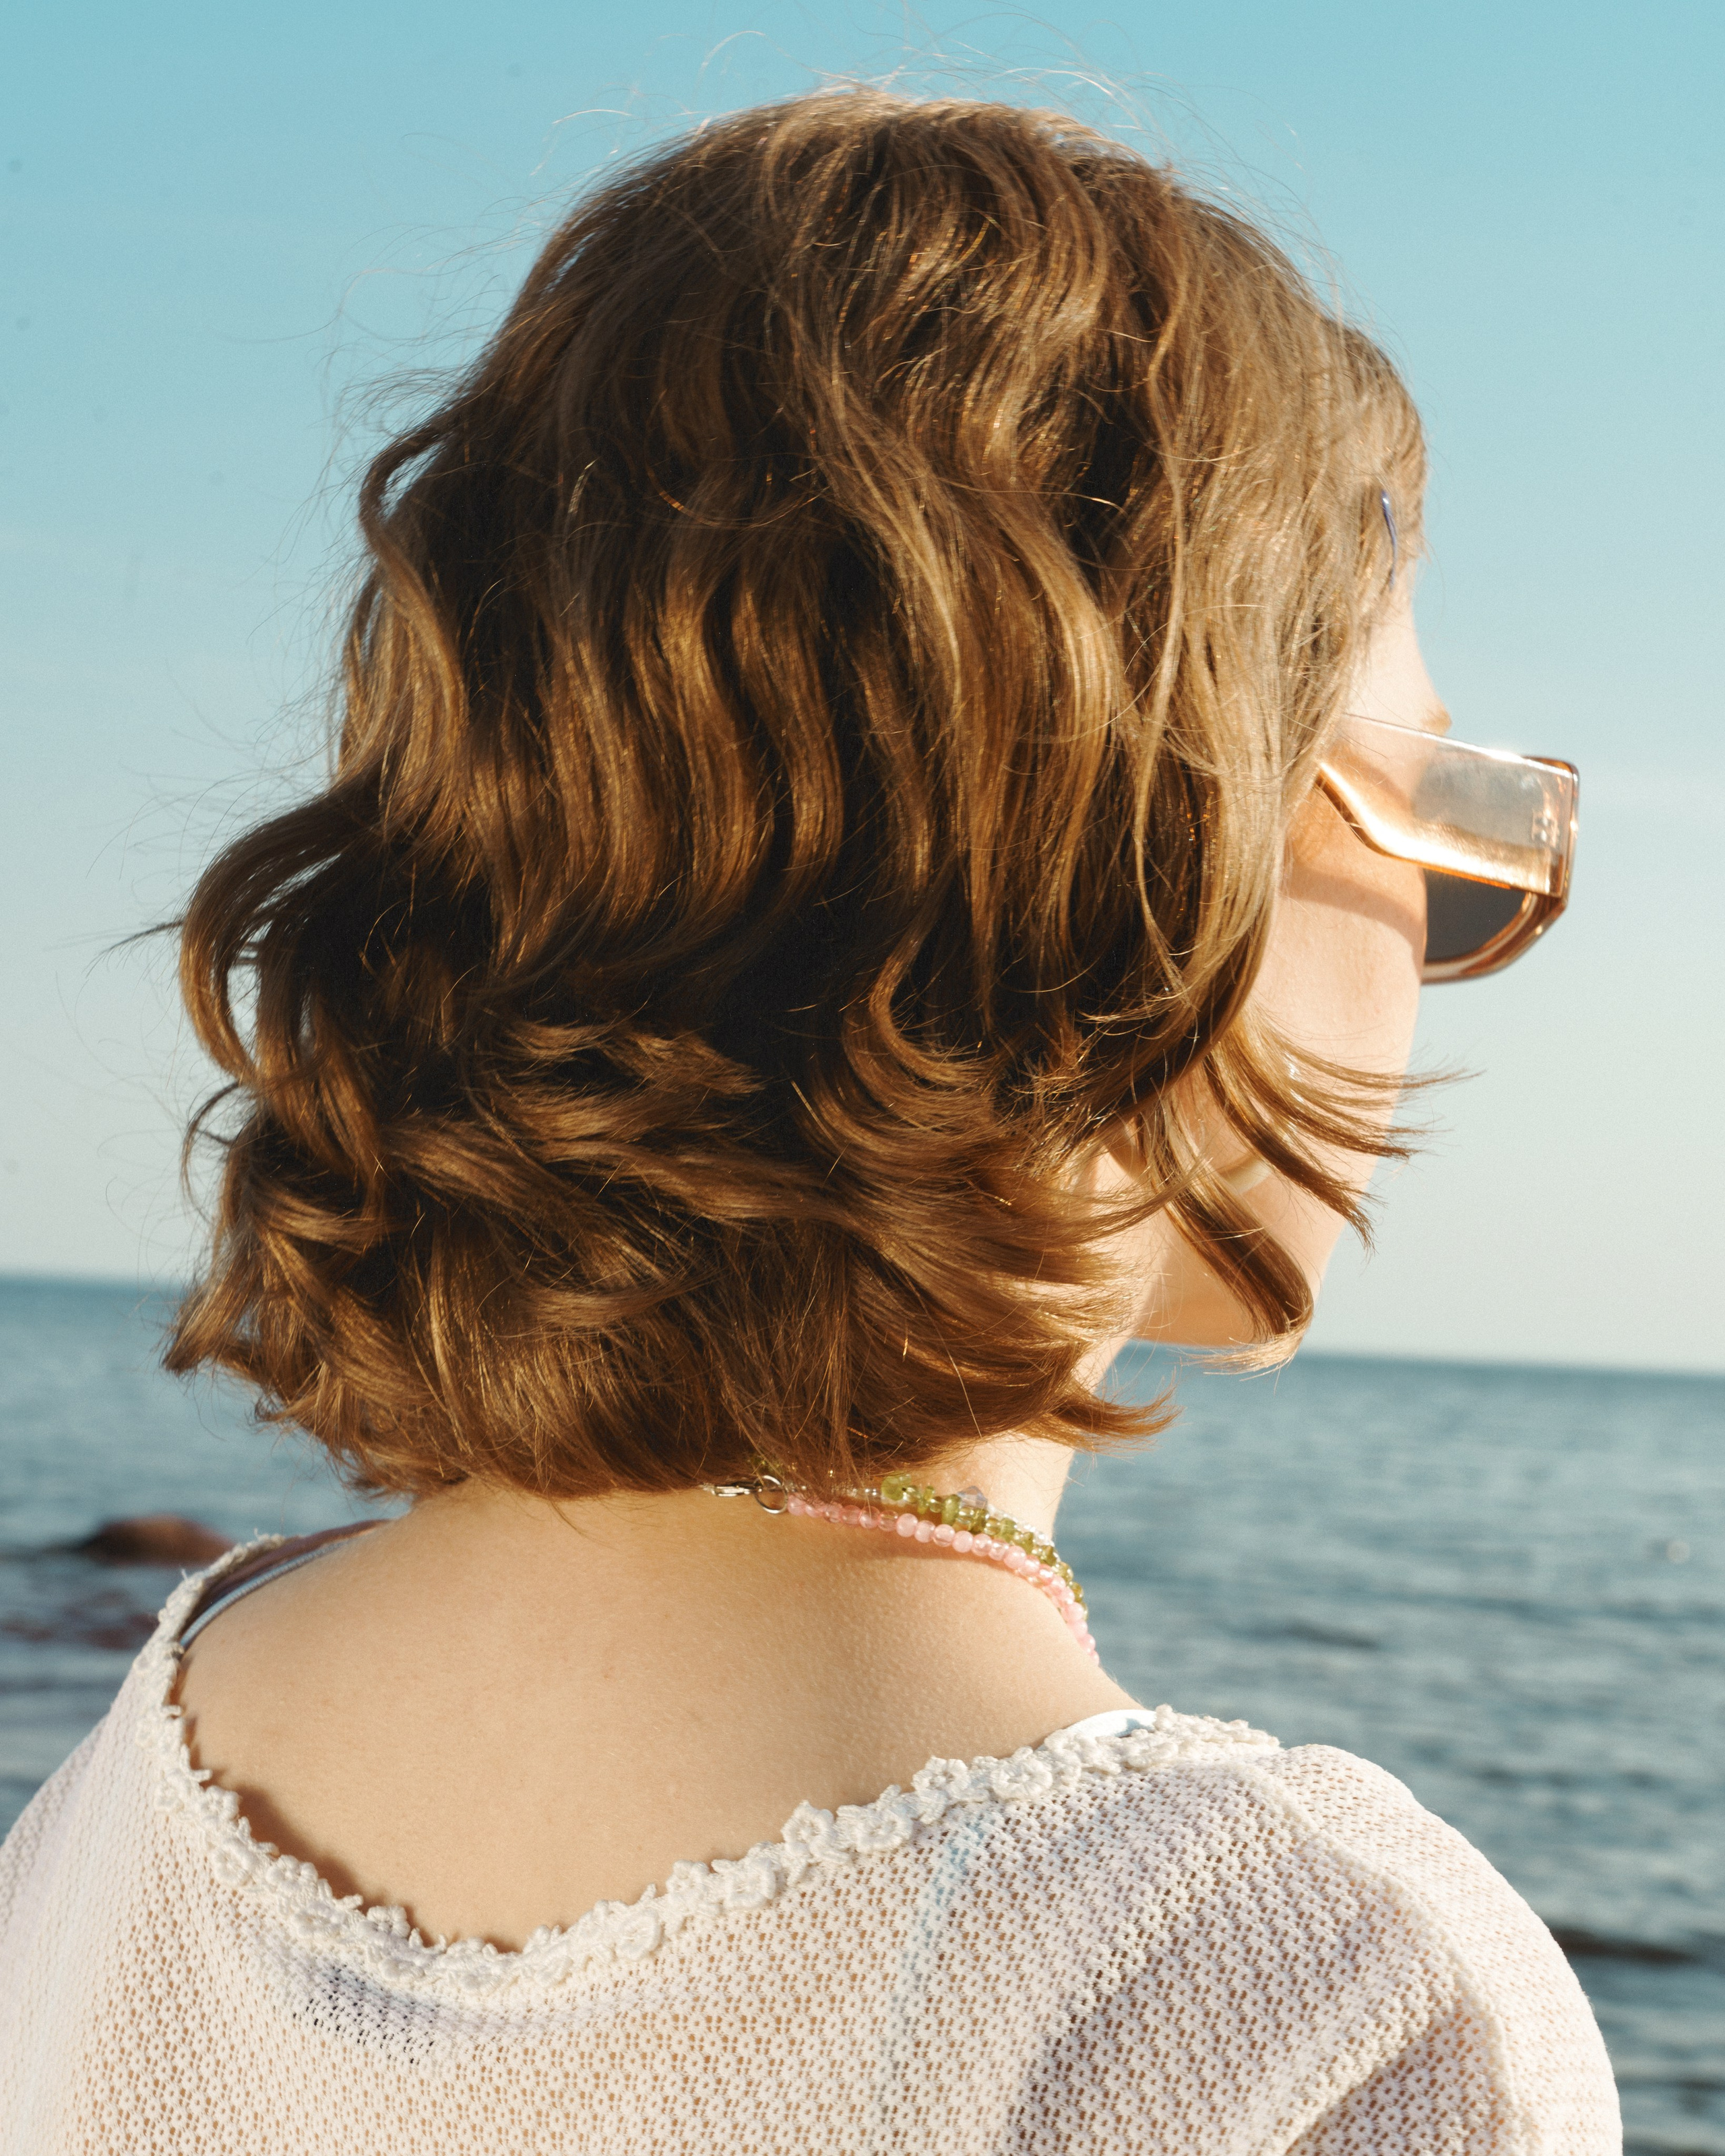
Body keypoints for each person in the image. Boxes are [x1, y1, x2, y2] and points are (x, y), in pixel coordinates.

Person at [0, 91, 1614, 2153]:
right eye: (1455, 808)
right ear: (1158, 841)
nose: (1467, 932)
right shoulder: (1309, 1997)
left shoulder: (158, 1750)